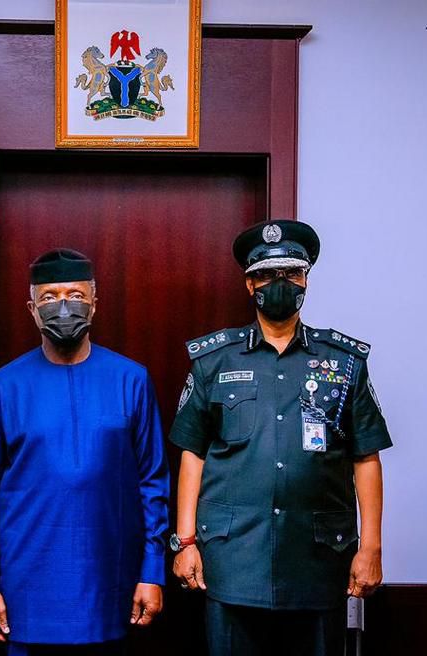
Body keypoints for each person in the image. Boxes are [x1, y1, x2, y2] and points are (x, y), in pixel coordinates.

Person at [168, 220, 392, 656]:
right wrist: (186, 542)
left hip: (318, 561)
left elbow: (366, 457)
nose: (280, 284)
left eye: (291, 273)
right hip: (232, 561)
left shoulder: (344, 363)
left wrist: (371, 548)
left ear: (306, 280)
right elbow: (193, 453)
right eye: (268, 275)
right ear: (250, 284)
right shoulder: (214, 361)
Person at [0, 248, 169, 656]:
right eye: (49, 297)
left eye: (75, 295)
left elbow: (153, 483)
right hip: (25, 589)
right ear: (32, 310)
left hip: (110, 581)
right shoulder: (3, 387)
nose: (63, 307)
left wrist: (152, 571)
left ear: (94, 303)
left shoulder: (131, 380)